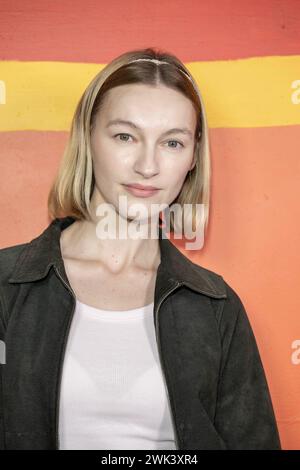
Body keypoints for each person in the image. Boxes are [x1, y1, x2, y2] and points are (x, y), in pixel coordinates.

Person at [0, 47, 281, 450]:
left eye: (172, 143)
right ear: (88, 137)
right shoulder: (6, 286)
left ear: (192, 159)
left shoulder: (216, 305)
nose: (147, 166)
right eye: (125, 136)